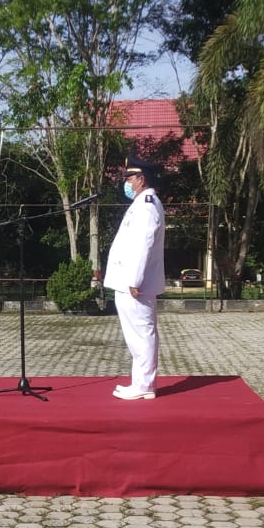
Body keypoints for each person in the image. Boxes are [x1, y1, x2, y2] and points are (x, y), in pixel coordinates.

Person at [103, 160, 166, 400]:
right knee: (137, 335)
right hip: (129, 281)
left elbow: (144, 245)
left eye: (129, 179)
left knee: (141, 333)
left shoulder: (147, 206)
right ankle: (141, 383)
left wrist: (135, 279)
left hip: (135, 283)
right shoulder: (141, 204)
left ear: (141, 179)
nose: (126, 184)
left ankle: (144, 385)